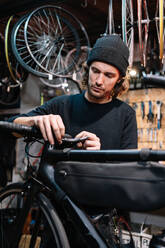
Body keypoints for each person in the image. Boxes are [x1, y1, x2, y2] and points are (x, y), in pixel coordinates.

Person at [9, 34, 137, 150]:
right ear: (87, 69)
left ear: (119, 80)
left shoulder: (126, 114)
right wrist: (34, 121)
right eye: (96, 71)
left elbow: (129, 167)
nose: (99, 81)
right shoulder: (62, 105)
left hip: (102, 176)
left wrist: (99, 155)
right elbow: (9, 129)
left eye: (108, 75)